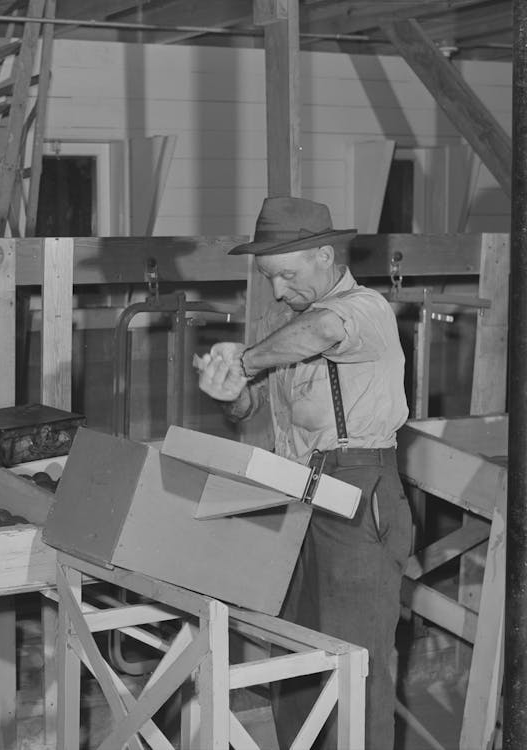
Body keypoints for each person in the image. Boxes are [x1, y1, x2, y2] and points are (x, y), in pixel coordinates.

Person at [195, 197, 413, 750]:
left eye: (285, 275)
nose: (275, 291)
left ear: (324, 254)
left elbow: (324, 332)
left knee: (356, 665)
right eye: (268, 278)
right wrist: (232, 392)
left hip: (358, 493)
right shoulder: (283, 329)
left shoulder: (365, 310)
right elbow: (251, 411)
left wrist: (246, 359)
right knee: (294, 656)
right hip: (296, 495)